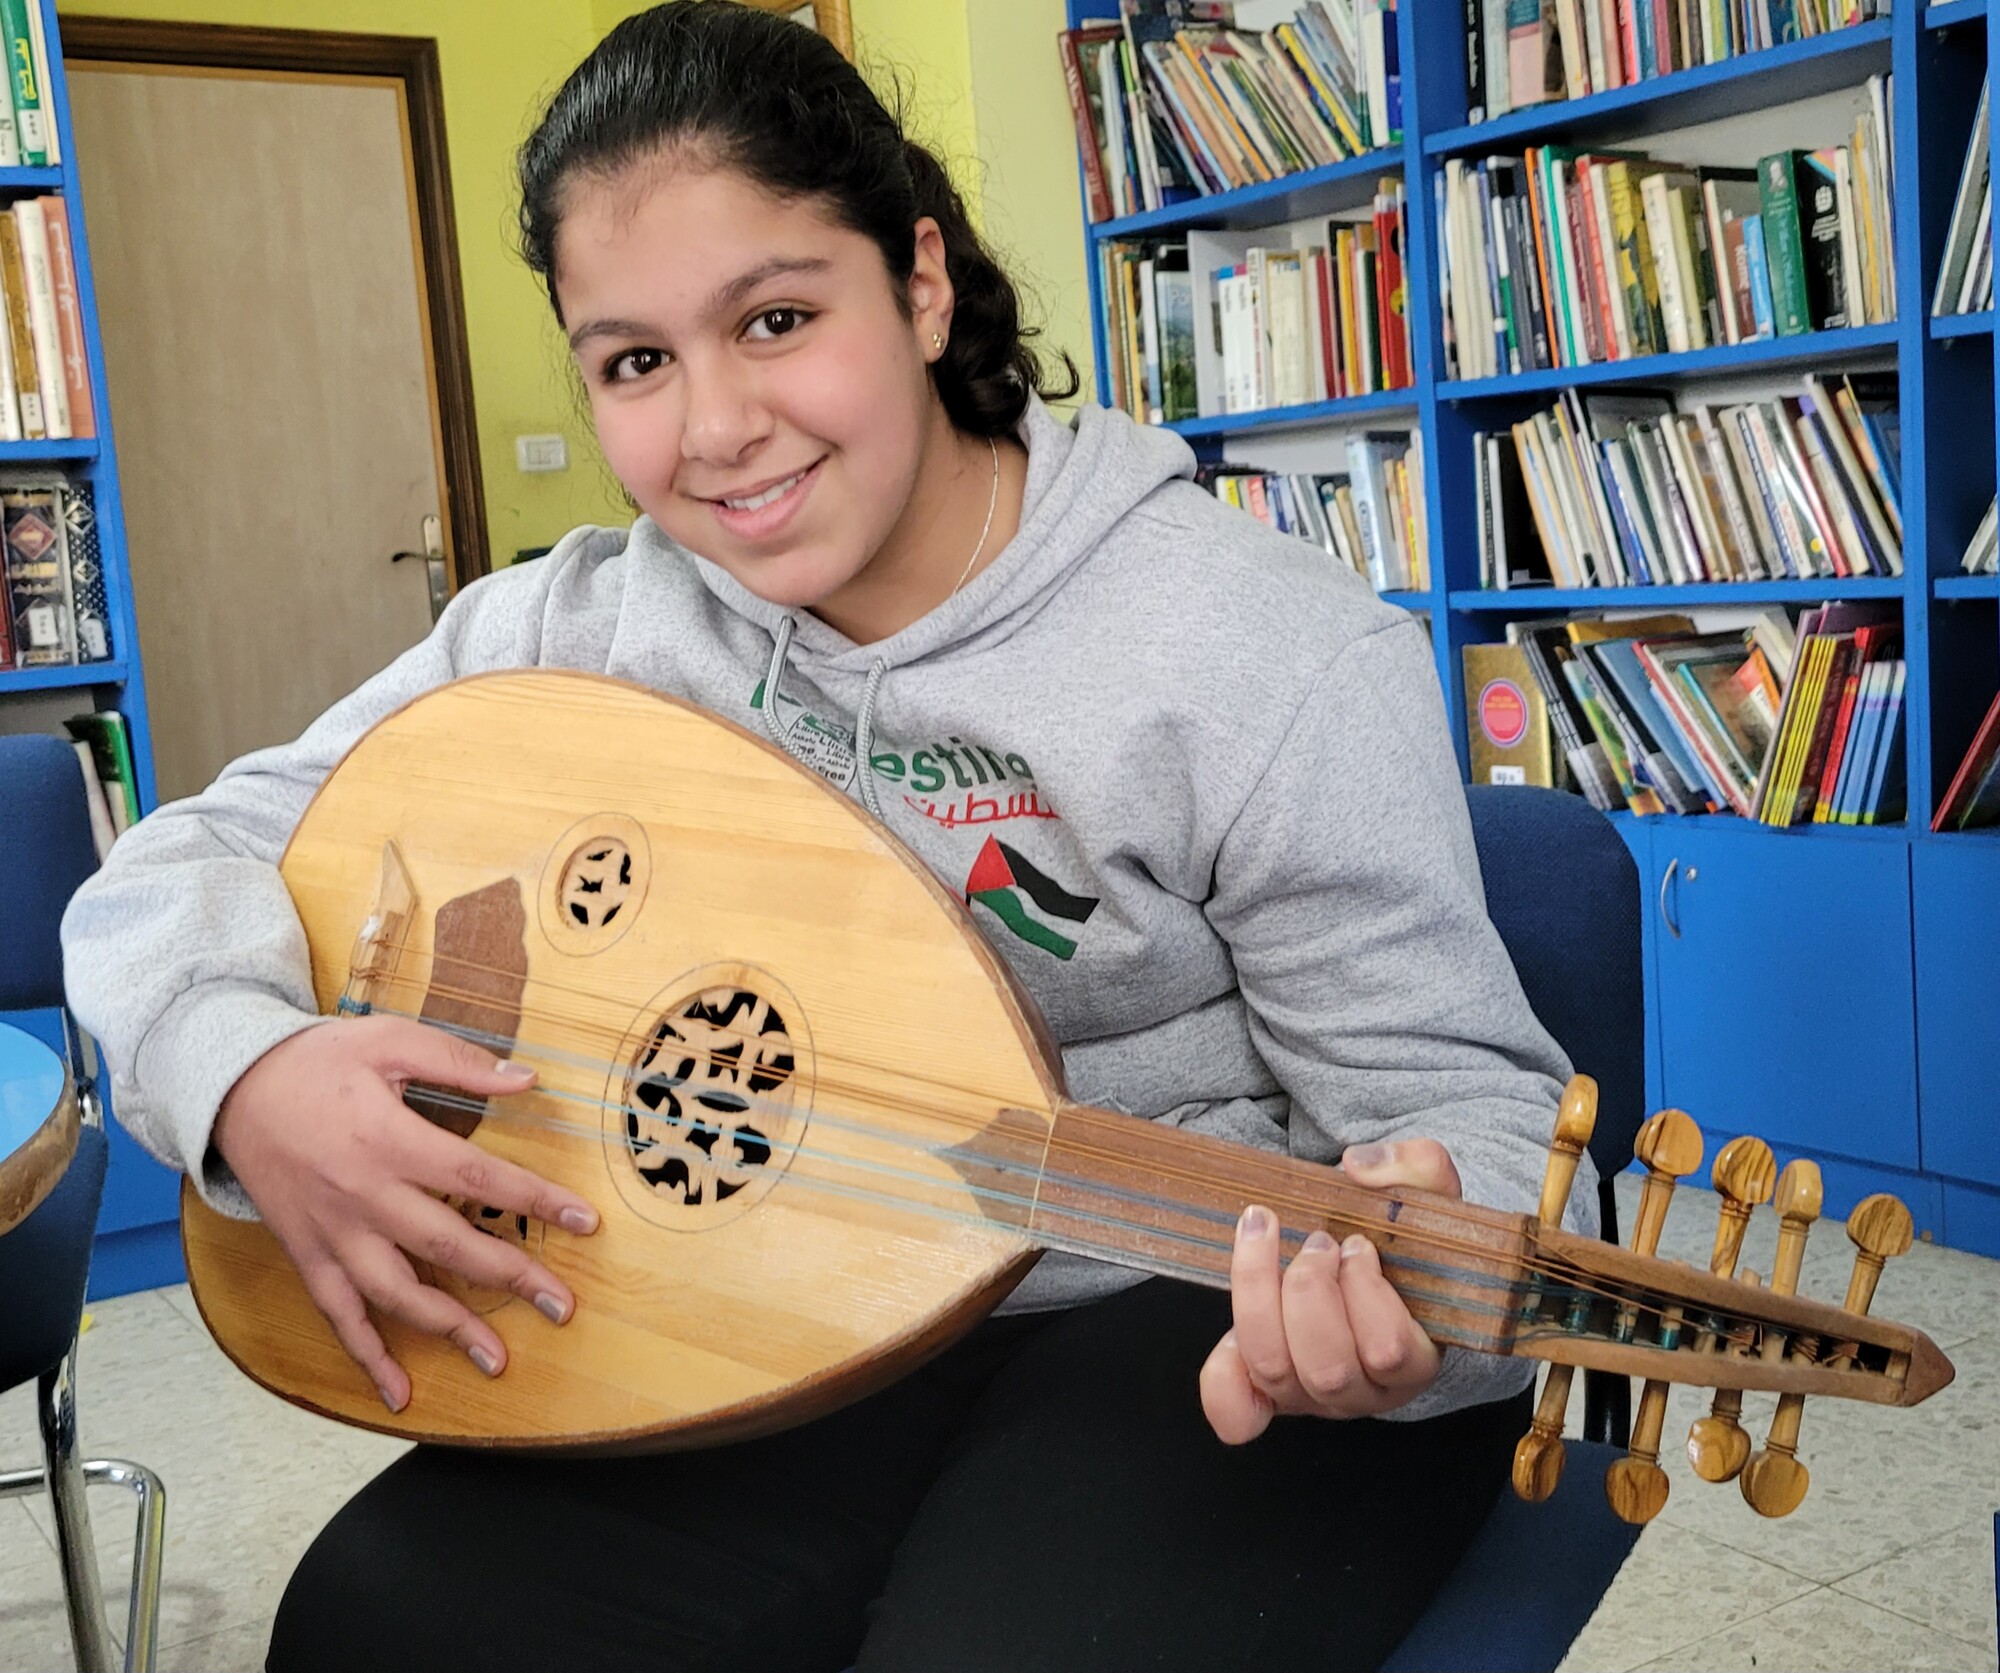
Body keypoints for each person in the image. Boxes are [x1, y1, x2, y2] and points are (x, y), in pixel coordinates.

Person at [60, 6, 1596, 1670]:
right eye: (635, 361)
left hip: (1162, 1314)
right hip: (734, 1313)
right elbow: (168, 866)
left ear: (921, 284)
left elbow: (1469, 1124)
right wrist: (243, 1075)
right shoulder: (576, 631)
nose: (714, 429)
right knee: (379, 1620)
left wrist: (1410, 1320)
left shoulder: (1259, 654)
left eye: (776, 317)